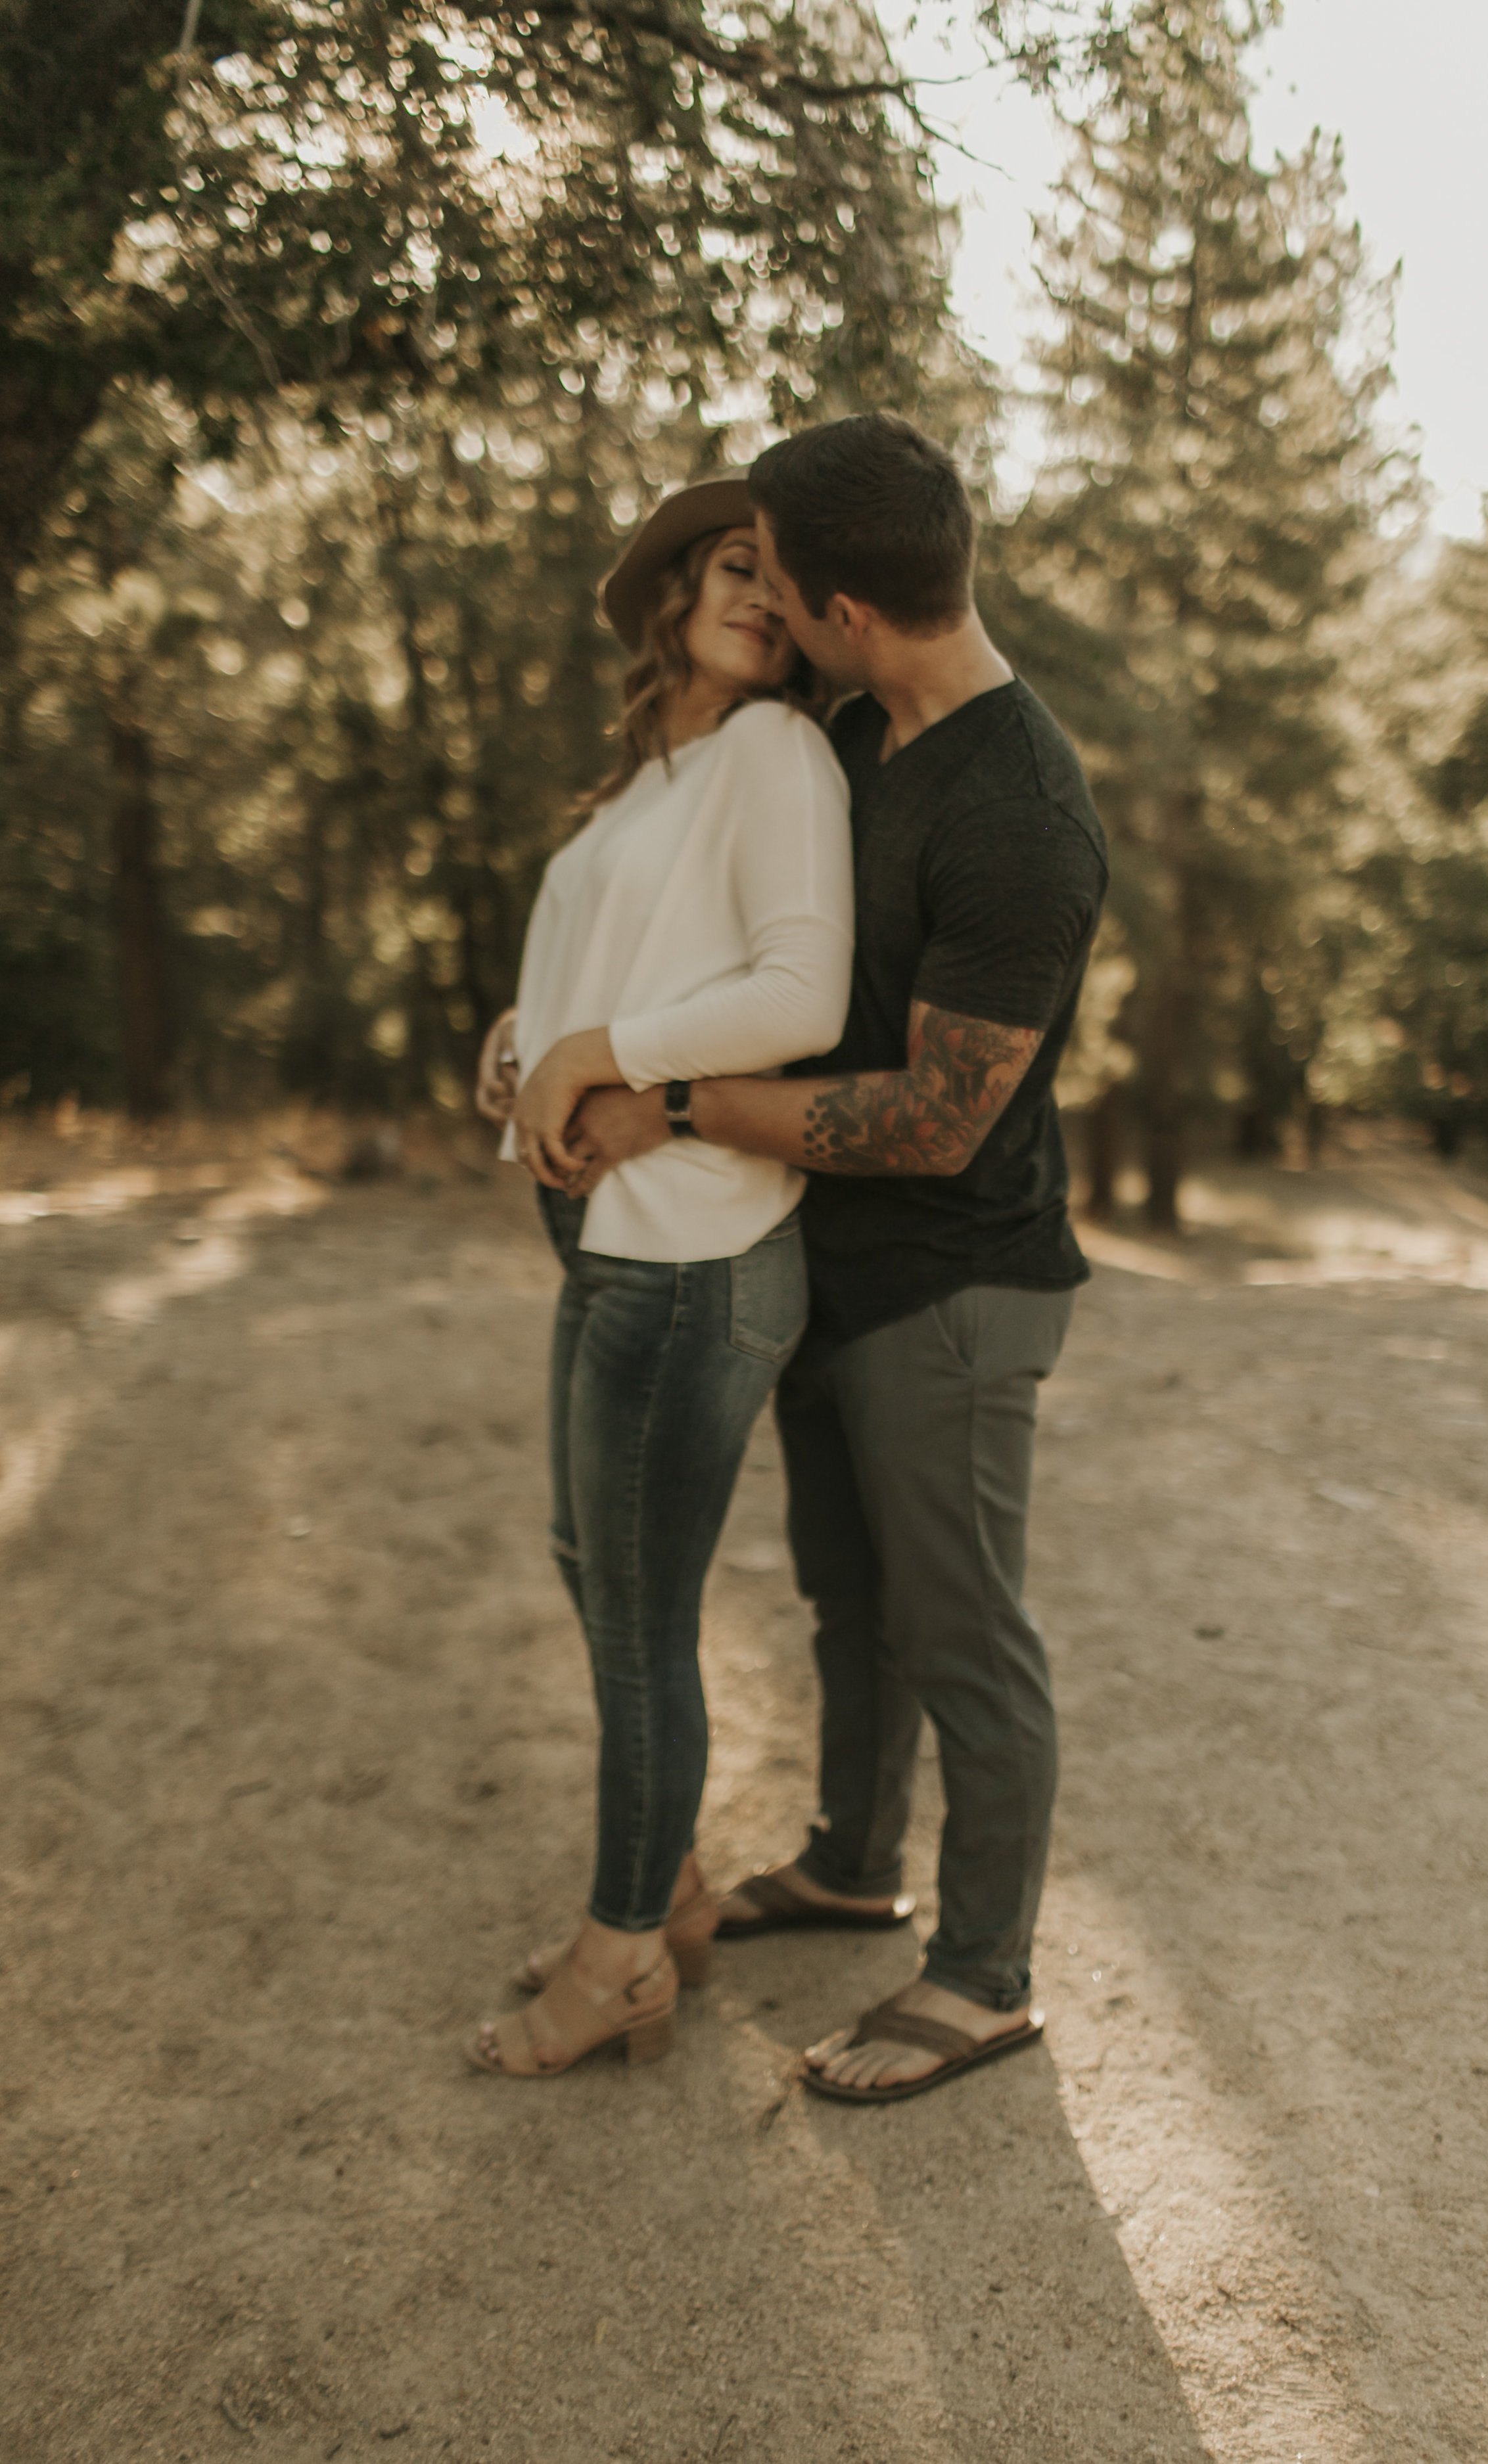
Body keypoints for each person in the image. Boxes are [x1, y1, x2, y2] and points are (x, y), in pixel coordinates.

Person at [563, 412, 1110, 2103]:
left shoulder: (1019, 816)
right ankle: (853, 1862)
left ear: (854, 608)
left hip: (954, 1286)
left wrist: (677, 1098)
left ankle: (980, 1977)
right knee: (848, 1600)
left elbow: (941, 1119)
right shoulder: (849, 718)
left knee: (960, 1629)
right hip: (822, 1259)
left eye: (785, 590)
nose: (771, 612)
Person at [464, 475, 854, 2078]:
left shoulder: (777, 751)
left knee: (634, 1620)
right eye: (736, 566)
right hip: (603, 1232)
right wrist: (517, 1043)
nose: (761, 595)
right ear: (680, 586)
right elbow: (600, 980)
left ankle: (624, 1955)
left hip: (697, 1236)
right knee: (588, 1562)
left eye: (787, 580)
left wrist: (601, 1048)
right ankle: (671, 1889)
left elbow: (799, 991)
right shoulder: (651, 774)